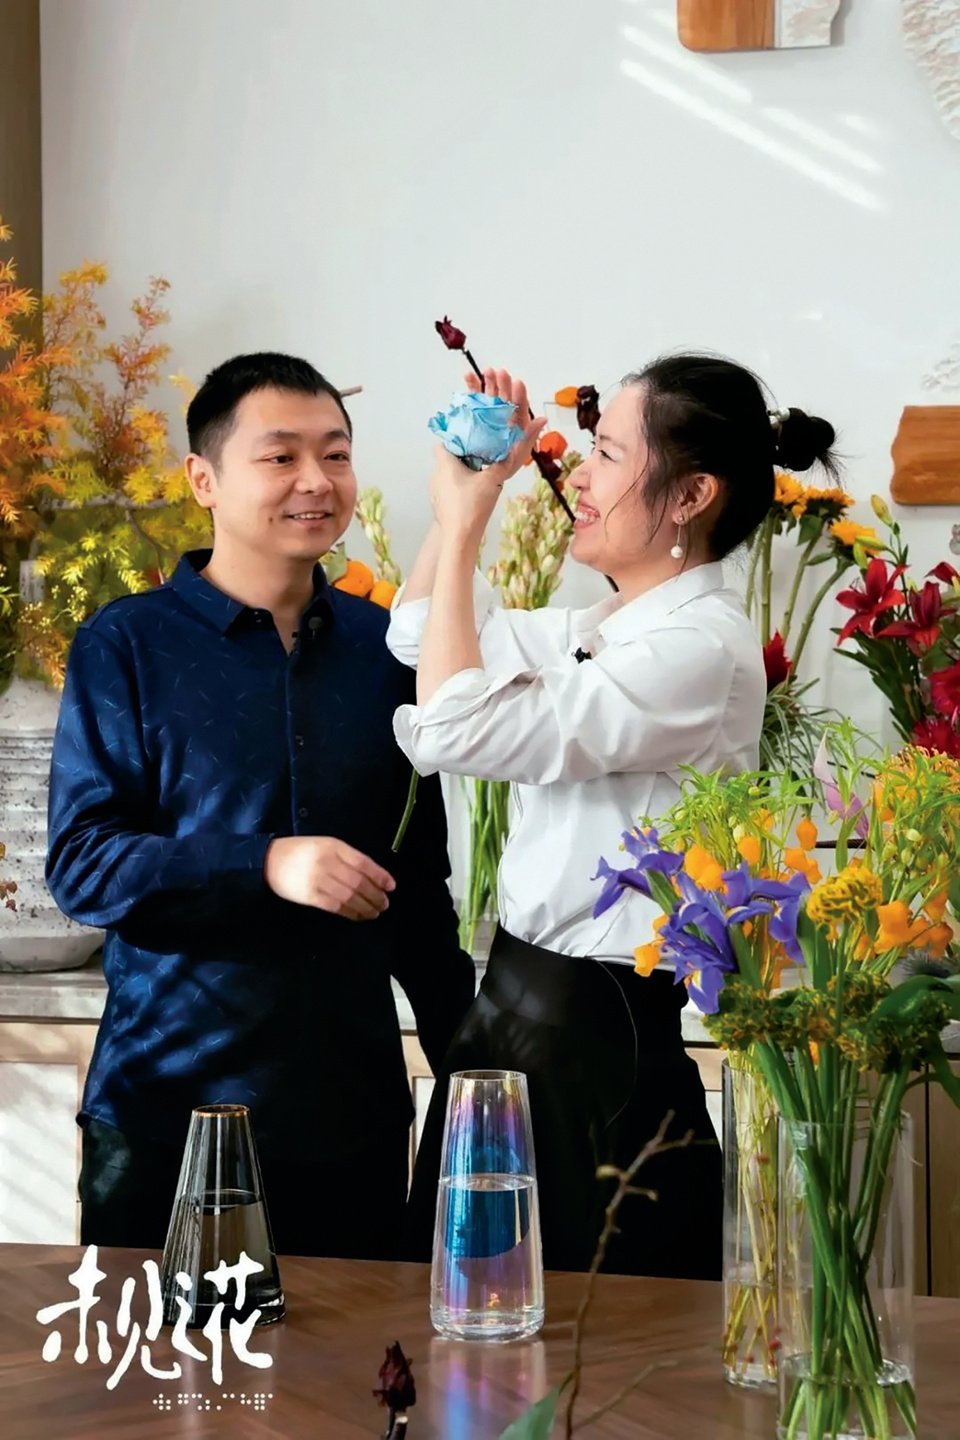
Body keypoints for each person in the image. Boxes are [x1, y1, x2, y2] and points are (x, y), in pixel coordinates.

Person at [387, 354, 838, 1278]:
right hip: (513, 1022)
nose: (579, 477)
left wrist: (469, 526)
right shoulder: (610, 624)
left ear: (691, 494)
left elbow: (448, 728)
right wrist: (469, 499)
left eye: (606, 453)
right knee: (470, 1367)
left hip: (600, 1048)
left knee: (599, 1369)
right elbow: (418, 631)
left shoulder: (695, 651)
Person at [46, 352, 474, 1260]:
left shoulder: (389, 647)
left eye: (336, 454)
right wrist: (267, 861)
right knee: (156, 1395)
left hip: (348, 1126)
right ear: (203, 477)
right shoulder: (125, 644)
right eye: (280, 457)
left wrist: (480, 1083)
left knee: (352, 1397)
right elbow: (84, 864)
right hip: (165, 1115)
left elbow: (419, 893)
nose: (317, 482)